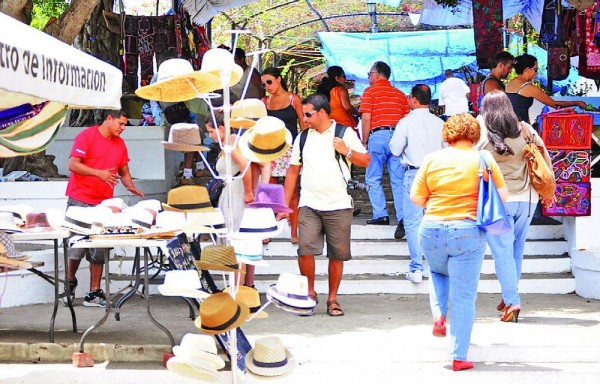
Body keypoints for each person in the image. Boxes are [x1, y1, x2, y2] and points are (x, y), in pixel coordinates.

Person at [410, 113, 508, 371]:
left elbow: (416, 198)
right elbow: (504, 196)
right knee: (464, 296)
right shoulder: (483, 159)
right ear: (475, 135)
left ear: (448, 134)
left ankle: (438, 314)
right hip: (468, 231)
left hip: (430, 229)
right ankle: (458, 356)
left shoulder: (431, 159)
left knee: (439, 273)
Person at [281, 93, 370, 316]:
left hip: (338, 204)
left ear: (322, 112)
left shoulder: (344, 133)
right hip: (309, 204)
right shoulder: (302, 137)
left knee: (337, 254)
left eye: (308, 114)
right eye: (303, 114)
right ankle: (310, 293)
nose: (305, 119)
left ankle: (332, 299)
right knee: (304, 250)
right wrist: (283, 206)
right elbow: (292, 172)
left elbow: (366, 161)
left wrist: (346, 151)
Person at [475, 90, 554, 322]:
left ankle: (512, 301)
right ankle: (510, 292)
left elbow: (471, 160)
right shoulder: (526, 130)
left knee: (501, 253)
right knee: (516, 249)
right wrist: (549, 191)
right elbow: (545, 160)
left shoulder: (484, 135)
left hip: (499, 203)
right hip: (527, 201)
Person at [64, 110, 144, 307]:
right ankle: (69, 283)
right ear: (109, 118)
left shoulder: (120, 144)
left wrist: (129, 185)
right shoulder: (87, 136)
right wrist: (98, 173)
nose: (122, 128)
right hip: (80, 200)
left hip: (104, 204)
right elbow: (73, 165)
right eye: (120, 123)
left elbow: (124, 171)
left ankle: (94, 292)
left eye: (125, 125)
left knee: (99, 250)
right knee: (76, 247)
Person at [389, 84, 445, 284]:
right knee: (434, 220)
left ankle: (416, 268)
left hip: (414, 173)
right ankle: (435, 267)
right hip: (436, 174)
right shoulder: (440, 123)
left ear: (413, 99)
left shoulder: (405, 122)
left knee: (412, 222)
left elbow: (395, 150)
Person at [206, 113, 260, 287]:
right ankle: (246, 285)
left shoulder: (231, 140)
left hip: (236, 193)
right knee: (243, 241)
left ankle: (237, 287)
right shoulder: (230, 141)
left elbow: (245, 165)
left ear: (221, 128)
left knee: (237, 240)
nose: (210, 135)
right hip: (231, 192)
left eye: (211, 131)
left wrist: (248, 192)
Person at [360, 61, 409, 239]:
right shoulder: (400, 94)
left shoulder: (370, 92)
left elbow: (366, 118)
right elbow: (405, 120)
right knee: (398, 180)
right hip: (397, 137)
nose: (368, 77)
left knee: (372, 177)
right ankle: (403, 217)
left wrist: (364, 141)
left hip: (378, 136)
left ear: (378, 74)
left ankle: (380, 215)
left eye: (369, 73)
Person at [261, 67, 306, 244]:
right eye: (264, 84)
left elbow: (303, 126)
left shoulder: (294, 99)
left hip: (291, 149)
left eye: (269, 82)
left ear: (279, 79)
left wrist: (305, 150)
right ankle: (268, 229)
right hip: (270, 149)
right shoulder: (264, 101)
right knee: (270, 191)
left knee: (292, 192)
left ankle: (294, 231)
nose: (267, 86)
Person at [506, 54, 586, 123]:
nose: (536, 73)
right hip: (519, 129)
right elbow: (555, 105)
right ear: (527, 69)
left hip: (509, 126)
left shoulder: (510, 83)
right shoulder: (527, 87)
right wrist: (577, 103)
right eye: (535, 69)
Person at [316, 66, 359, 134]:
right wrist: (358, 113)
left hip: (328, 127)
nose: (345, 80)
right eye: (344, 77)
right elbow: (347, 107)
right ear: (337, 78)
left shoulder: (322, 92)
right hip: (344, 126)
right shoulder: (340, 90)